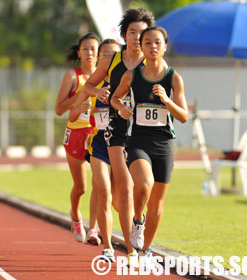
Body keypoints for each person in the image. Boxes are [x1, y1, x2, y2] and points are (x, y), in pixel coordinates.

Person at [82, 8, 155, 265]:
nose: (137, 37)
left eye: (142, 33)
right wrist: (98, 93)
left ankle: (137, 229)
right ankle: (121, 249)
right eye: (132, 32)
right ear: (124, 35)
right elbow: (89, 84)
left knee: (138, 189)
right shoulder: (112, 59)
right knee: (117, 189)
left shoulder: (152, 64)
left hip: (142, 135)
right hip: (113, 132)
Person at [111, 26, 188, 267]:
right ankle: (137, 221)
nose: (152, 47)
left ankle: (145, 250)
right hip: (138, 142)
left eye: (157, 43)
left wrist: (166, 100)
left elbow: (184, 116)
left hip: (163, 144)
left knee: (157, 202)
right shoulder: (132, 75)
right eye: (148, 43)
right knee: (144, 184)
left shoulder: (173, 77)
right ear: (141, 47)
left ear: (165, 46)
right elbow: (115, 97)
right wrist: (121, 107)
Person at [71, 39, 121, 259]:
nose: (109, 59)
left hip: (121, 145)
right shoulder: (91, 86)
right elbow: (71, 114)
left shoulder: (127, 82)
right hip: (98, 143)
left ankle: (135, 224)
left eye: (114, 55)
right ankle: (99, 235)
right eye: (105, 55)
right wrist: (81, 108)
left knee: (119, 199)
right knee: (101, 189)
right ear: (100, 59)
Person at [55, 33, 100, 243]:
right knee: (81, 187)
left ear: (99, 52)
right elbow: (59, 109)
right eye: (86, 49)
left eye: (93, 49)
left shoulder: (105, 75)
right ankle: (75, 215)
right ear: (79, 52)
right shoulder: (73, 76)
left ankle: (94, 228)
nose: (90, 53)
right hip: (75, 133)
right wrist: (79, 97)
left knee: (101, 183)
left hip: (97, 133)